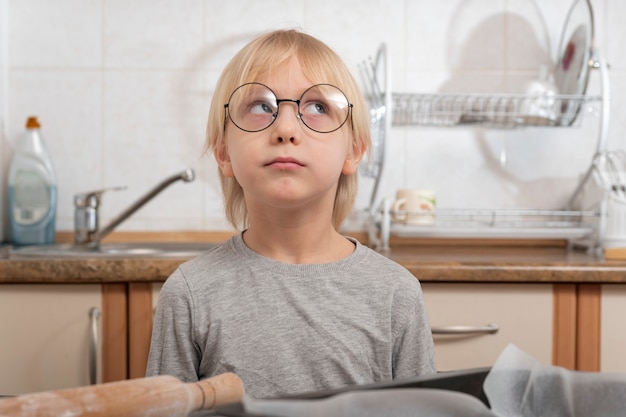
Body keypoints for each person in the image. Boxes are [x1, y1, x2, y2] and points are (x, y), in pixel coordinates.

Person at [146, 29, 436, 399]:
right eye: (260, 106)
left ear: (354, 151)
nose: (285, 129)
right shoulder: (189, 294)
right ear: (224, 153)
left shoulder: (396, 294)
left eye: (317, 107)